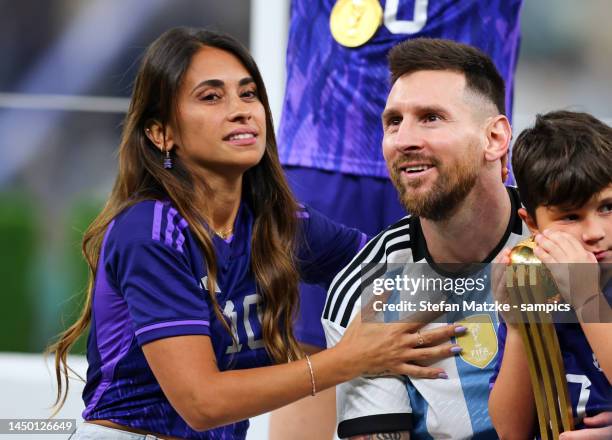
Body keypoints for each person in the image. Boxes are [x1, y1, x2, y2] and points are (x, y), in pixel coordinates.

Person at [47, 27, 462, 440]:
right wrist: (348, 359)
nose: (241, 110)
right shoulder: (150, 231)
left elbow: (393, 266)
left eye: (248, 94)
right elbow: (202, 402)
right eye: (211, 97)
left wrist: (505, 259)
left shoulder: (277, 223)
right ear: (161, 134)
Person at [271, 1, 522, 437]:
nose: (405, 138)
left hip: (459, 139)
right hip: (325, 133)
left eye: (427, 119)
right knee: (328, 338)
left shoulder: (562, 244)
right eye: (393, 124)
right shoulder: (361, 285)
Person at [489, 110, 612, 439]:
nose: (595, 232)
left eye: (607, 207)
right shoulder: (533, 284)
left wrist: (587, 298)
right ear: (532, 225)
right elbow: (510, 431)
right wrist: (519, 326)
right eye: (571, 217)